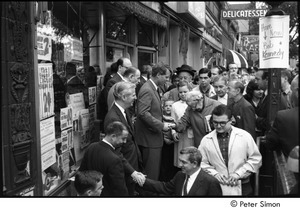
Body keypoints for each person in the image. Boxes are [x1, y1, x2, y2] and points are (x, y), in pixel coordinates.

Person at [198, 104, 262, 196]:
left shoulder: (244, 136)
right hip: (216, 186)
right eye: (215, 122)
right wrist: (215, 174)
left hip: (242, 186)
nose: (218, 126)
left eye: (222, 123)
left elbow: (256, 159)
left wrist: (238, 174)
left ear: (231, 120)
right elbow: (201, 162)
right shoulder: (206, 139)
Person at [104, 82, 144, 196]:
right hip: (123, 171)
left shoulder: (124, 110)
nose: (135, 98)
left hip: (131, 164)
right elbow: (116, 151)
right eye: (133, 95)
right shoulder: (113, 118)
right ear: (123, 97)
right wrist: (132, 172)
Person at [135, 62, 173, 181]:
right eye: (166, 77)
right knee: (151, 174)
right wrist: (162, 126)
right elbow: (142, 113)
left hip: (152, 137)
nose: (168, 80)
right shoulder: (147, 89)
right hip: (149, 139)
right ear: (157, 75)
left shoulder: (153, 88)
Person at [137, 146, 222, 196]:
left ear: (195, 164)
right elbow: (164, 187)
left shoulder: (211, 182)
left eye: (184, 162)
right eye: (180, 161)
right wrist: (142, 180)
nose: (180, 165)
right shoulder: (180, 175)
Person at [79, 121, 129, 196]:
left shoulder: (91, 147)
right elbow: (119, 189)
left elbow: (81, 173)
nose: (125, 142)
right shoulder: (114, 159)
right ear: (113, 136)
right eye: (123, 138)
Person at [265, 75, 299, 158]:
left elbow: (271, 144)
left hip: (291, 169)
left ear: (297, 93)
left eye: (292, 91)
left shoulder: (284, 117)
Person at [171, 81, 194, 168]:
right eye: (180, 92)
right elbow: (173, 121)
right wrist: (173, 133)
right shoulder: (175, 105)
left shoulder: (193, 103)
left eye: (185, 92)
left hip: (192, 133)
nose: (183, 94)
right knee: (183, 154)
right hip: (181, 134)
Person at [159, 99, 180, 182]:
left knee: (172, 163)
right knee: (164, 162)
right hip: (163, 143)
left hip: (173, 144)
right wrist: (164, 139)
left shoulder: (175, 119)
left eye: (170, 106)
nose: (168, 107)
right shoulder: (161, 118)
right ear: (163, 108)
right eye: (166, 106)